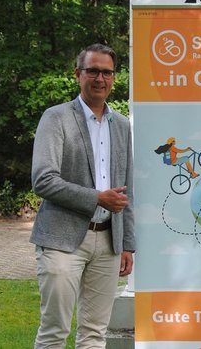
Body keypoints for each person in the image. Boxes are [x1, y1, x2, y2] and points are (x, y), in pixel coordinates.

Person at [30, 43, 135, 348]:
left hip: (108, 242)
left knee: (94, 335)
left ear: (114, 77)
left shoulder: (122, 126)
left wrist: (126, 243)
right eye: (93, 71)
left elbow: (128, 188)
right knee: (54, 332)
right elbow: (43, 180)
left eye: (106, 72)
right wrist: (97, 198)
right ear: (78, 74)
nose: (99, 78)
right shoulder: (56, 118)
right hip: (62, 239)